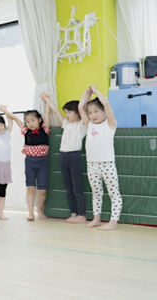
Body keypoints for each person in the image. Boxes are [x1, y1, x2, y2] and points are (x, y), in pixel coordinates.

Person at [79, 86, 122, 231]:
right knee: (96, 193)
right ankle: (96, 218)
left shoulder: (110, 124)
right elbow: (80, 107)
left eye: (96, 111)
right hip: (92, 165)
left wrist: (97, 91)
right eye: (90, 113)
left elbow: (107, 103)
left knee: (113, 193)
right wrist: (86, 93)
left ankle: (113, 221)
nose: (93, 115)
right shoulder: (89, 125)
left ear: (104, 111)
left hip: (107, 164)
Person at [42, 94, 87, 224]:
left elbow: (82, 111)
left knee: (77, 187)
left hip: (74, 156)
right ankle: (73, 213)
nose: (67, 115)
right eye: (66, 112)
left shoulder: (82, 125)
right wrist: (47, 100)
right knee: (69, 188)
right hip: (63, 155)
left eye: (69, 112)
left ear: (78, 113)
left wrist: (85, 97)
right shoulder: (66, 123)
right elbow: (56, 111)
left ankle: (82, 215)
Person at [5, 104, 51, 221]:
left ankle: (40, 209)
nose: (30, 123)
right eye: (27, 121)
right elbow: (15, 119)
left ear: (39, 120)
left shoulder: (45, 129)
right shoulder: (26, 131)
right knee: (30, 187)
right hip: (30, 162)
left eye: (32, 120)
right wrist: (5, 110)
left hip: (43, 162)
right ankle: (30, 213)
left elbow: (47, 114)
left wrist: (47, 102)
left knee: (42, 190)